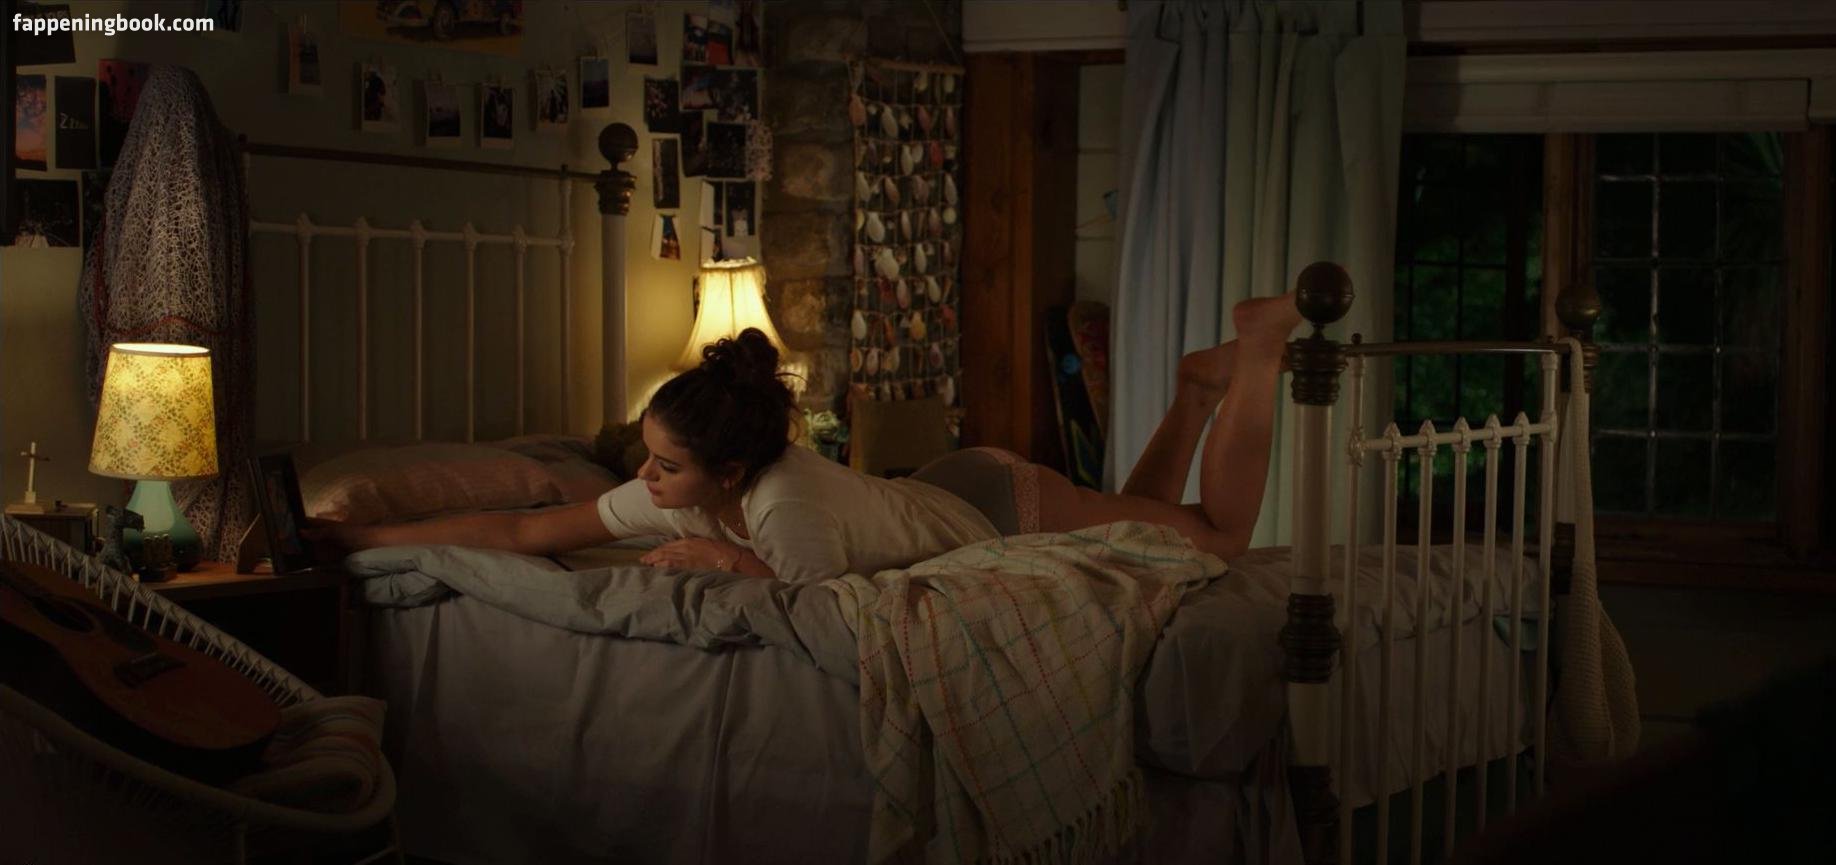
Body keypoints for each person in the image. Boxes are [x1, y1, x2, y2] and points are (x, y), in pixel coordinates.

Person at [312, 295, 1303, 581]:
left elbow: (825, 615)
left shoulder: (782, 503)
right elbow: (527, 529)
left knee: (1216, 540)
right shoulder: (680, 486)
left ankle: (1258, 351)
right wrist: (362, 537)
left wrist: (730, 563)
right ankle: (1194, 393)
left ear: (728, 471)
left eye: (665, 464)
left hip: (999, 508)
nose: (645, 477)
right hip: (939, 494)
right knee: (1152, 531)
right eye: (648, 456)